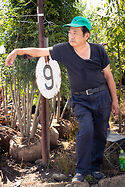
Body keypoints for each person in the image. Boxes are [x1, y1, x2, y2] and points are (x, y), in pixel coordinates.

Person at [6, 16, 119, 183]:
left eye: (75, 33)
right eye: (69, 32)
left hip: (102, 97)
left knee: (100, 134)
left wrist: (114, 101)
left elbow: (109, 77)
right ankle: (80, 171)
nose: (71, 36)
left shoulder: (98, 50)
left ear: (86, 35)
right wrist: (17, 51)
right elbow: (40, 51)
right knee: (86, 129)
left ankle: (95, 168)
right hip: (81, 100)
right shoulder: (64, 50)